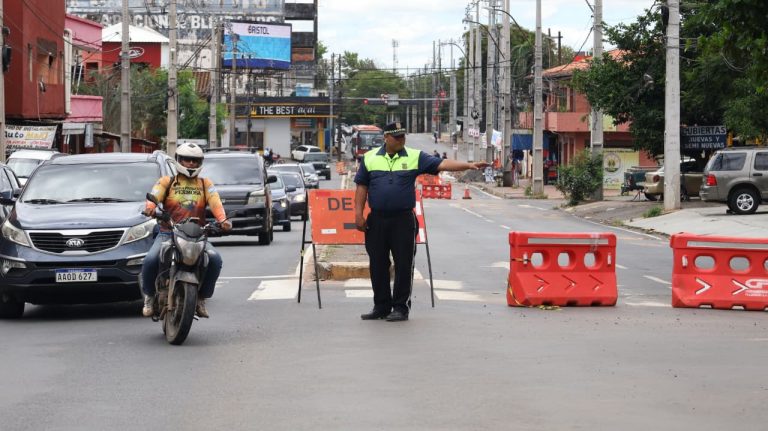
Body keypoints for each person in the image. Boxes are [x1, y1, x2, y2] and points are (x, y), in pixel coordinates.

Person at [354, 122, 489, 322]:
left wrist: (469, 165)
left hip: (403, 220)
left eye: (403, 136)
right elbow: (362, 187)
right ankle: (381, 306)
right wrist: (358, 214)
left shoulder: (415, 156)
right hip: (377, 220)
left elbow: (441, 164)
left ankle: (400, 307)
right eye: (397, 137)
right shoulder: (370, 158)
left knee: (403, 264)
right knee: (377, 264)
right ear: (386, 138)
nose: (401, 140)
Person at [140, 143, 232, 318]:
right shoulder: (167, 181)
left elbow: (215, 202)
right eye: (186, 159)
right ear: (178, 160)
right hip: (169, 232)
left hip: (197, 235)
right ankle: (149, 296)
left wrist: (223, 220)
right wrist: (150, 207)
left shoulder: (205, 183)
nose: (190, 163)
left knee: (215, 260)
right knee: (150, 260)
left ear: (200, 163)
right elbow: (155, 195)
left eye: (195, 160)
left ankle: (201, 298)